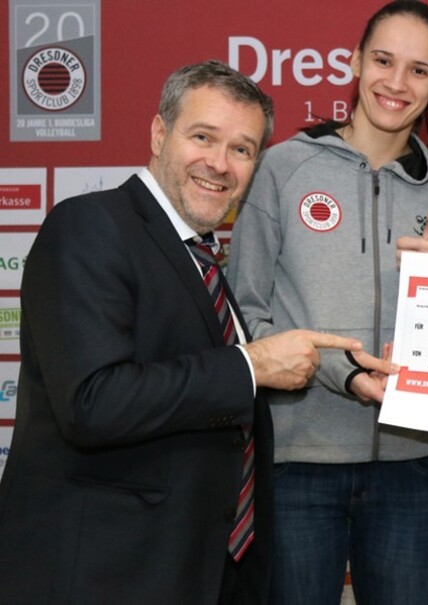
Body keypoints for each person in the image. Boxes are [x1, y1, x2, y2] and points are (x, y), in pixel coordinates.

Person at [0, 60, 395, 605]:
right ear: (159, 134)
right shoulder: (90, 224)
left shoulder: (200, 257)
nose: (220, 164)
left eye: (242, 149)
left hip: (194, 570)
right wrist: (252, 366)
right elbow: (92, 402)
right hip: (104, 574)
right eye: (203, 137)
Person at [227, 2, 428, 603]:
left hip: (412, 463)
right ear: (356, 62)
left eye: (419, 70)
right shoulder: (283, 167)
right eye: (384, 61)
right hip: (298, 458)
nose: (397, 83)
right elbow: (245, 312)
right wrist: (340, 371)